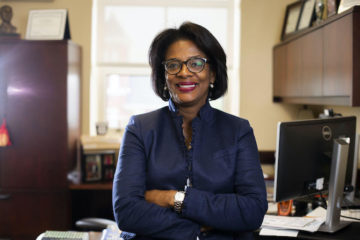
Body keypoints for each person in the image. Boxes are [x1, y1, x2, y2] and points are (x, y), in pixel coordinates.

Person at [112, 22, 268, 240]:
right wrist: (201, 226)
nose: (184, 73)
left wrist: (173, 198)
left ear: (212, 74)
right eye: (173, 65)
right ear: (164, 76)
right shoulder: (139, 129)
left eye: (196, 63)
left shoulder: (238, 131)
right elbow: (127, 212)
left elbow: (252, 210)